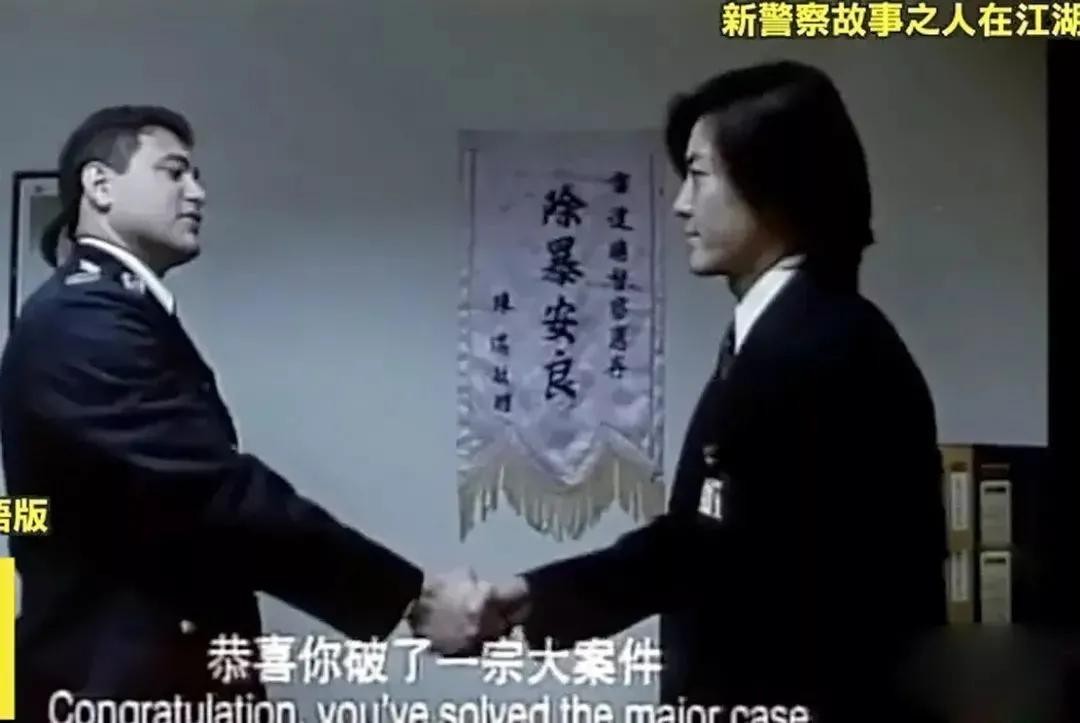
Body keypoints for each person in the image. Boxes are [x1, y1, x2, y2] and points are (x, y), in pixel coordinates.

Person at [412, 61, 947, 721]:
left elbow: (703, 554)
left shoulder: (812, 350)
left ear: (773, 182)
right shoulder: (796, 332)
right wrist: (528, 597)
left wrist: (523, 598)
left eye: (699, 175)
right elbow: (710, 543)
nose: (681, 204)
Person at [0, 105, 475, 720]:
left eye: (196, 177)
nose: (197, 193)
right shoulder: (84, 319)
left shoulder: (112, 309)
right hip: (116, 684)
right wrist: (408, 596)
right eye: (174, 172)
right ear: (100, 186)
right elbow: (208, 490)